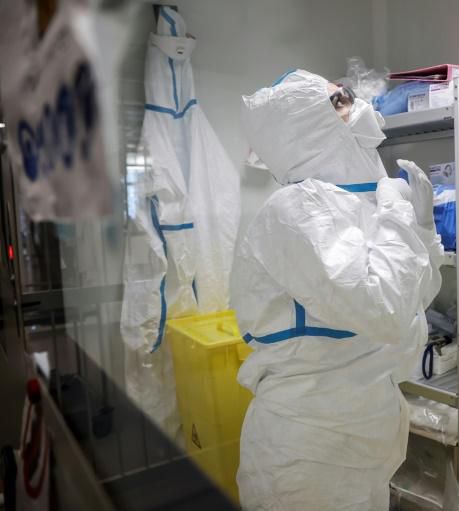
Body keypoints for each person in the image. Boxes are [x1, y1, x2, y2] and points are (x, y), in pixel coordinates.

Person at [233, 70, 443, 510]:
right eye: (341, 100)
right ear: (305, 126)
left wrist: (422, 231)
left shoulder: (354, 206)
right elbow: (381, 308)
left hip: (364, 434)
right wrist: (397, 216)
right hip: (309, 447)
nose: (360, 105)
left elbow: (412, 301)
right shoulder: (296, 210)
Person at [120, 7, 240, 438]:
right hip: (183, 289)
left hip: (201, 290)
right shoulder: (162, 137)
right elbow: (146, 244)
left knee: (197, 399)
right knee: (180, 395)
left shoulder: (186, 133)